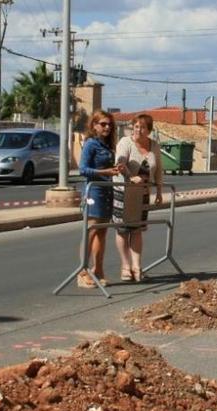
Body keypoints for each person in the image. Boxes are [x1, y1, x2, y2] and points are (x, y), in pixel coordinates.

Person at [113, 114, 164, 282]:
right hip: (124, 191)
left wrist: (159, 191)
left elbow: (158, 169)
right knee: (123, 229)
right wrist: (130, 176)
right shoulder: (125, 143)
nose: (138, 130)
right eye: (136, 126)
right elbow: (120, 164)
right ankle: (125, 266)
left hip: (143, 193)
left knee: (137, 230)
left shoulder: (154, 146)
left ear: (149, 130)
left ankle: (137, 266)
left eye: (142, 127)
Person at [77, 110, 122, 288]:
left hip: (107, 191)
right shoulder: (91, 144)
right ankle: (82, 272)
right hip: (94, 192)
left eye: (109, 124)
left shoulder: (107, 145)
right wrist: (105, 172)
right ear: (94, 125)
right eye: (103, 124)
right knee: (90, 231)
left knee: (102, 233)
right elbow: (83, 169)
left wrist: (117, 168)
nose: (107, 127)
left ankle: (98, 270)